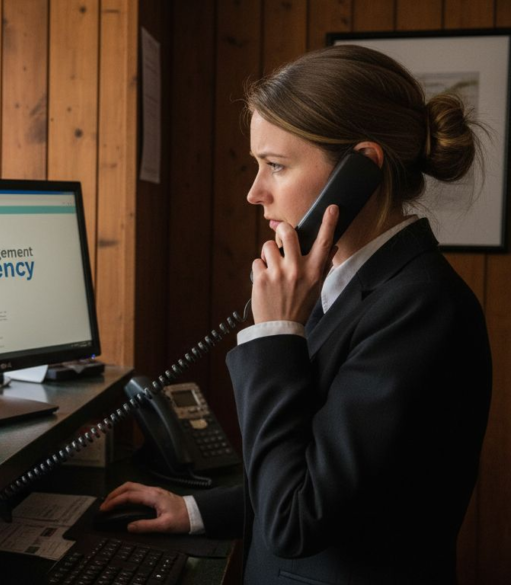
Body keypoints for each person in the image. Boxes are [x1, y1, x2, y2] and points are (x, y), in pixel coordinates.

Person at [101, 45, 491, 583]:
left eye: (276, 166)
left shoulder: (421, 309)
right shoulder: (347, 286)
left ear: (361, 169)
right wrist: (194, 510)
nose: (253, 192)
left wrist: (273, 334)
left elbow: (296, 517)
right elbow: (317, 469)